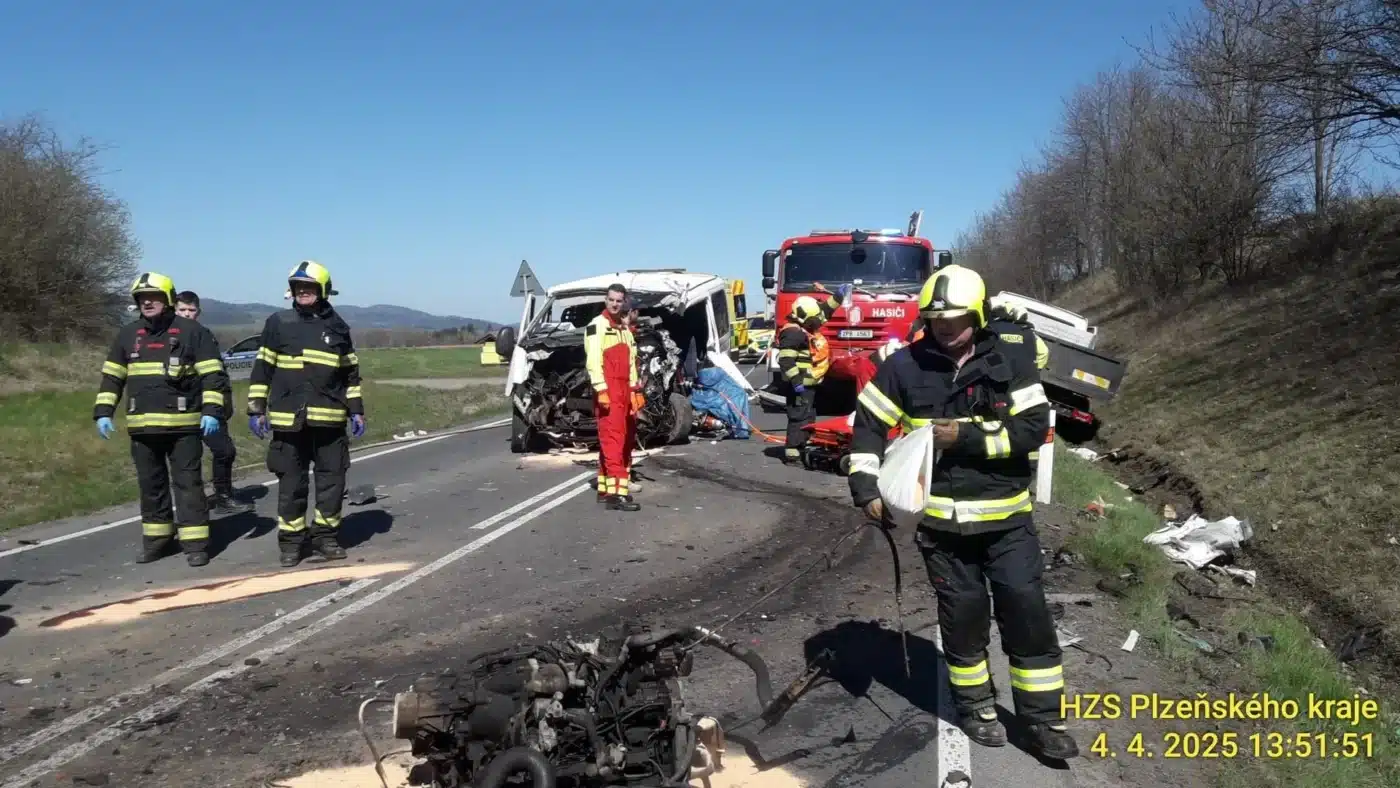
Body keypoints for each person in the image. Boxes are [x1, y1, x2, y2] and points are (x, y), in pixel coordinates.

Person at [846, 265, 1078, 760]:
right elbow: (867, 427)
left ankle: (1043, 722)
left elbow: (1032, 428)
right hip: (942, 529)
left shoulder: (1012, 358)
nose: (944, 326)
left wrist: (966, 437)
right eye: (935, 318)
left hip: (1007, 523)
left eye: (953, 317)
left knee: (1027, 614)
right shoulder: (903, 367)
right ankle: (977, 709)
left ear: (976, 313)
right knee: (964, 618)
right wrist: (865, 487)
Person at [94, 272, 229, 567]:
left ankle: (195, 545)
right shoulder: (128, 334)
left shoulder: (193, 332)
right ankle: (158, 541)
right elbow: (112, 377)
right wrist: (103, 412)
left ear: (168, 300)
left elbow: (213, 377)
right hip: (142, 428)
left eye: (153, 297)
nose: (147, 302)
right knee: (151, 486)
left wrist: (211, 411)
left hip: (184, 427)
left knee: (188, 485)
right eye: (142, 298)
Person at [247, 260, 365, 567]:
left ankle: (325, 537)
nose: (302, 292)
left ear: (323, 291)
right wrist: (256, 408)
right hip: (290, 421)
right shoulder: (278, 323)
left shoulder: (339, 327)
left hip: (330, 421)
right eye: (298, 288)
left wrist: (356, 411)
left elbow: (350, 374)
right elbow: (263, 368)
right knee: (291, 485)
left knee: (332, 483)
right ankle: (291, 542)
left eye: (309, 288)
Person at [174, 290, 254, 516]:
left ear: (198, 312)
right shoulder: (169, 337)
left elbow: (216, 375)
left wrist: (222, 406)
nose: (187, 314)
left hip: (210, 407)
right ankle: (198, 500)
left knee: (225, 451)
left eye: (191, 310)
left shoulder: (203, 334)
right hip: (185, 408)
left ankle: (222, 495)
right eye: (182, 310)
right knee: (190, 458)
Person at [775, 283, 852, 465]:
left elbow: (824, 311)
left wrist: (838, 297)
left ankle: (804, 444)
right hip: (800, 384)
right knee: (798, 417)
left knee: (808, 415)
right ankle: (793, 452)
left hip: (809, 383)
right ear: (805, 318)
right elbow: (786, 360)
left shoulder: (806, 325)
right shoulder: (793, 333)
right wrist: (796, 381)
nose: (819, 321)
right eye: (815, 319)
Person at [585, 284, 644, 511]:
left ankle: (605, 489)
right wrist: (601, 390)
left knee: (625, 440)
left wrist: (634, 391)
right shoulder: (596, 327)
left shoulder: (624, 330)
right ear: (605, 300)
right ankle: (616, 496)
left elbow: (631, 365)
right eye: (611, 300)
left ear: (623, 302)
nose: (615, 304)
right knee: (614, 443)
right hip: (608, 392)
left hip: (624, 394)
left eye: (619, 301)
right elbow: (593, 362)